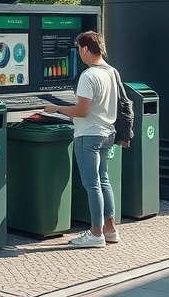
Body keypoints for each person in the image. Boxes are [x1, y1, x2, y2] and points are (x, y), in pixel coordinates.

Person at [43, 30, 120, 248]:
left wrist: (56, 108)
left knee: (92, 184)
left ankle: (96, 234)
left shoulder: (89, 76)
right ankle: (110, 229)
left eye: (78, 48)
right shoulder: (111, 72)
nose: (78, 52)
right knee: (104, 180)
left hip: (89, 135)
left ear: (86, 48)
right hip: (107, 133)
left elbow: (81, 111)